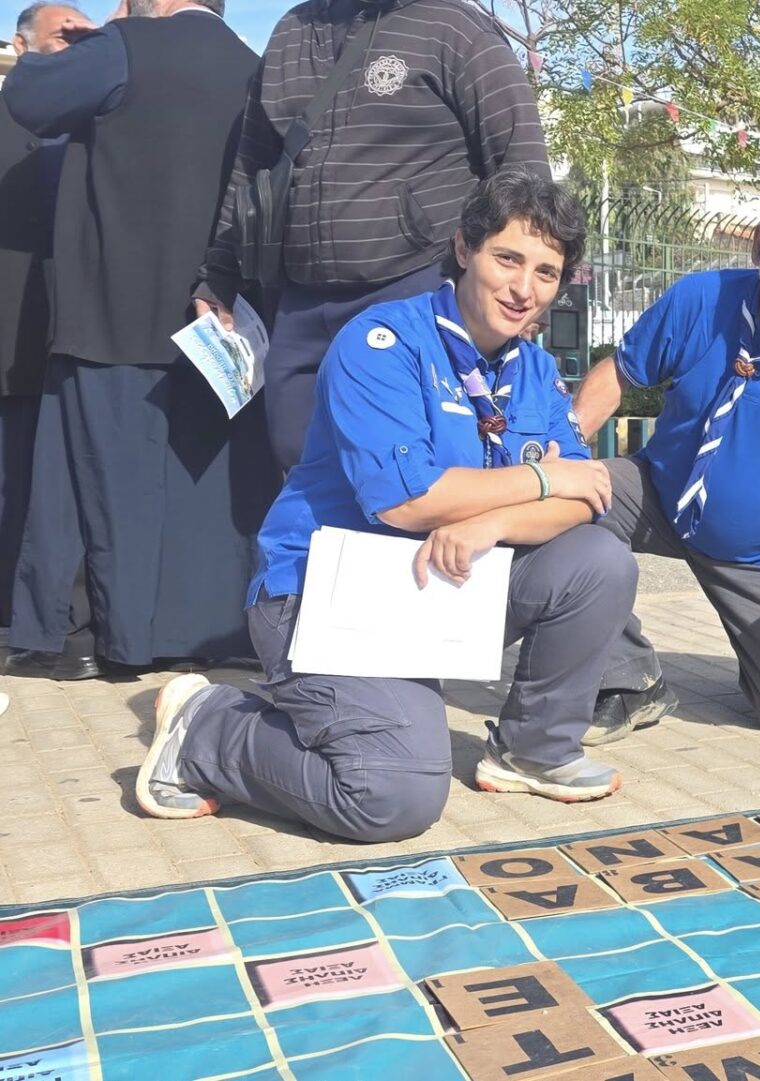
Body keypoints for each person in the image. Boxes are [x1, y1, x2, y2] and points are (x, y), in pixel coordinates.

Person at [137, 171, 636, 841]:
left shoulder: (535, 372)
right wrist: (546, 480)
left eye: (546, 272)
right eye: (508, 258)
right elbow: (407, 500)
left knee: (598, 559)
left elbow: (589, 496)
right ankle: (208, 730)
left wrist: (495, 517)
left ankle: (533, 751)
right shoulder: (384, 343)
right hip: (324, 594)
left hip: (439, 586)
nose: (524, 288)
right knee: (392, 793)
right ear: (465, 249)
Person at [3, 0, 279, 677]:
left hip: (109, 315)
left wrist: (88, 40)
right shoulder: (257, 68)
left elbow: (28, 97)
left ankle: (108, 642)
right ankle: (199, 636)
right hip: (214, 319)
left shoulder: (127, 46)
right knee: (199, 499)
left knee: (95, 488)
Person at [569, 189, 760, 739]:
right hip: (657, 499)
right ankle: (632, 676)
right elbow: (616, 377)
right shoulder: (701, 299)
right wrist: (560, 456)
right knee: (557, 498)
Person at [193, 0, 551, 472]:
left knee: (401, 466)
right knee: (298, 461)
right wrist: (218, 276)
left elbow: (524, 172)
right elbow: (251, 168)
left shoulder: (456, 28)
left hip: (415, 289)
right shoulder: (289, 32)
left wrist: (521, 293)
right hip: (299, 298)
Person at [0, 1, 91, 637]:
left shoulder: (92, 128)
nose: (77, 49)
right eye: (66, 38)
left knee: (35, 490)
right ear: (20, 42)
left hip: (50, 341)